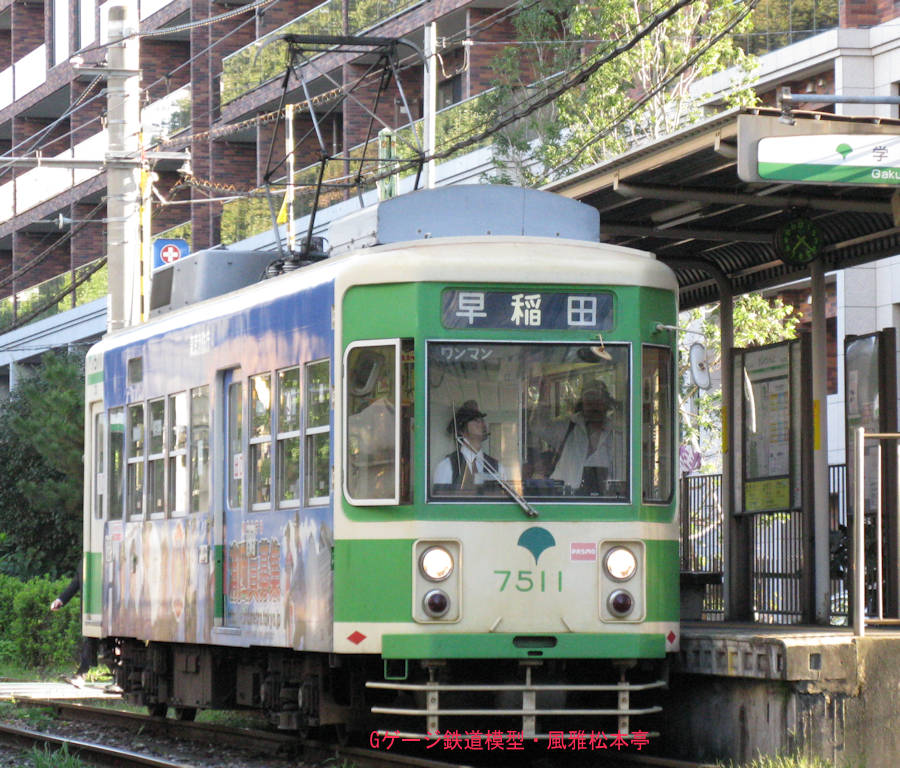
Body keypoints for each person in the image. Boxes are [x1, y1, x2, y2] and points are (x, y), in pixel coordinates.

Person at [549, 386, 622, 495]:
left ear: (606, 406)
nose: (594, 408)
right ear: (582, 406)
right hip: (565, 500)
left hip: (605, 502)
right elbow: (537, 426)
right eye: (589, 404)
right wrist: (544, 389)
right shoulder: (568, 426)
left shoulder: (616, 435)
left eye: (598, 403)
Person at [433, 400, 505, 491]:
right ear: (461, 430)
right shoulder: (447, 467)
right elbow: (440, 503)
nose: (482, 424)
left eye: (482, 420)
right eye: (476, 420)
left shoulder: (497, 467)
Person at [51, 570, 97, 688]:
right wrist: (61, 600)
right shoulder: (85, 560)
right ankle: (81, 675)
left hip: (115, 613)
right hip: (94, 613)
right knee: (90, 641)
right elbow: (76, 583)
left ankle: (118, 679)